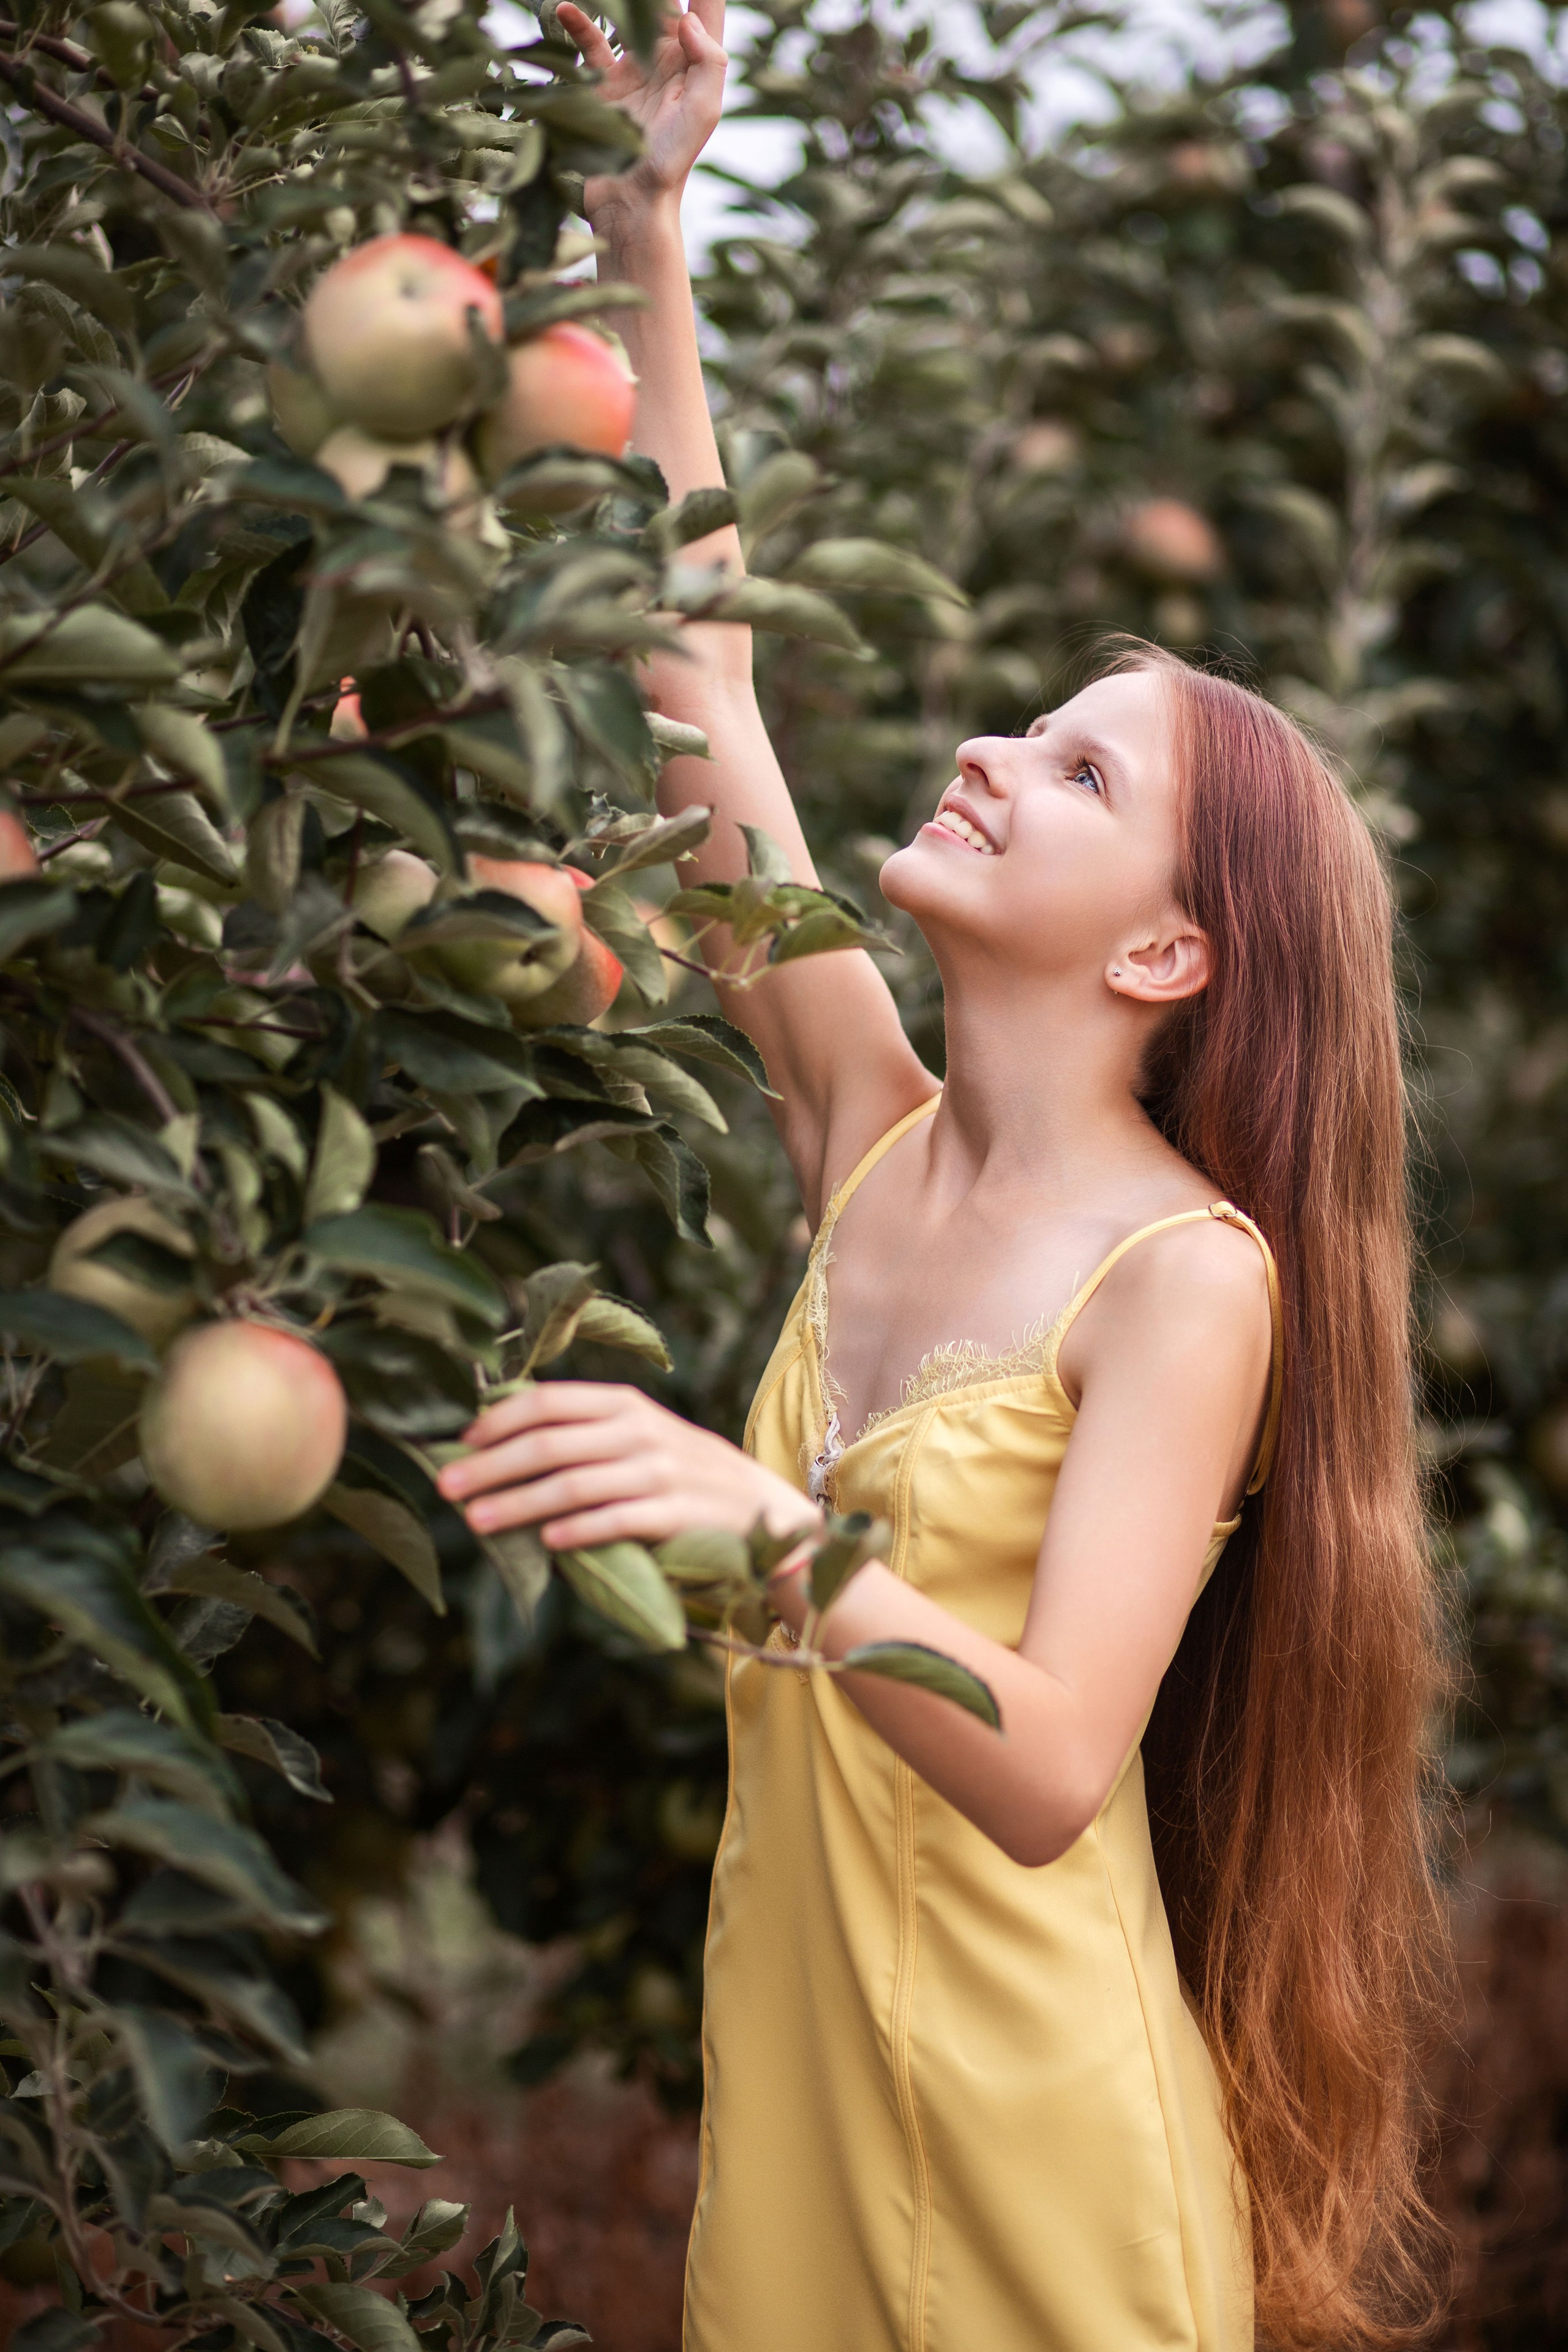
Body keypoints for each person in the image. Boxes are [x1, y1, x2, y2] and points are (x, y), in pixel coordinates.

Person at [436, 9, 1451, 2345]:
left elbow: (1053, 1762)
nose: (991, 749)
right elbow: (698, 678)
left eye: (1079, 774)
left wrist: (753, 1524)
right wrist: (646, 232)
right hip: (801, 2130)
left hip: (1039, 2168)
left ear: (1175, 947)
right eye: (1030, 724)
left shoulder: (1186, 1282)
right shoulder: (864, 1126)